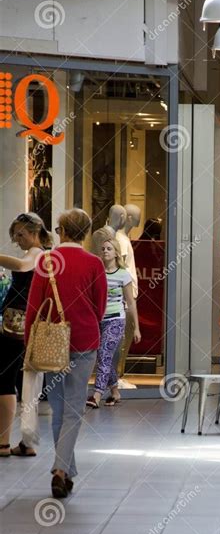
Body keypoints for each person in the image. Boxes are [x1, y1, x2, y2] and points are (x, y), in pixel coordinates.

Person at [25, 209, 107, 498]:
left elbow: (33, 309)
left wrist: (28, 346)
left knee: (59, 410)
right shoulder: (95, 263)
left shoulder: (47, 262)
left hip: (52, 344)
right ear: (85, 232)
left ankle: (64, 470)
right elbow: (100, 308)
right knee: (74, 410)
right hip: (84, 341)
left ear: (62, 230)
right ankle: (61, 471)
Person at [0, 213, 50, 458]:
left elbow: (21, 266)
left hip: (16, 327)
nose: (17, 240)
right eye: (15, 235)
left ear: (35, 232)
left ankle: (3, 442)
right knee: (24, 382)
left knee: (5, 379)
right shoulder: (43, 255)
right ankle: (26, 442)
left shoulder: (37, 254)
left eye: (21, 234)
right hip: (23, 324)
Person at [87, 237, 141, 408]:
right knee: (106, 358)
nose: (105, 251)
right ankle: (115, 392)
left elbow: (130, 302)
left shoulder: (123, 275)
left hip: (116, 320)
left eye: (109, 249)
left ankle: (96, 395)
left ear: (116, 252)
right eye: (103, 248)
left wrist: (137, 328)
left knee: (104, 355)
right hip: (98, 320)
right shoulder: (97, 272)